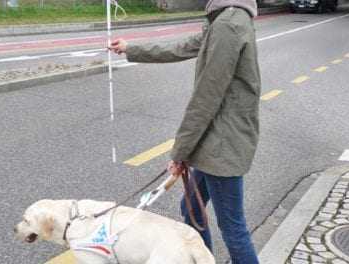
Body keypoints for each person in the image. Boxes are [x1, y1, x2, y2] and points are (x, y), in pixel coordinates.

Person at [109, 0, 261, 263]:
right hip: (212, 141)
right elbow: (182, 47)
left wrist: (180, 152)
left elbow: (207, 96)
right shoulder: (225, 17)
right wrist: (131, 48)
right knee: (191, 212)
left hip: (222, 145)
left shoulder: (228, 24)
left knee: (233, 228)